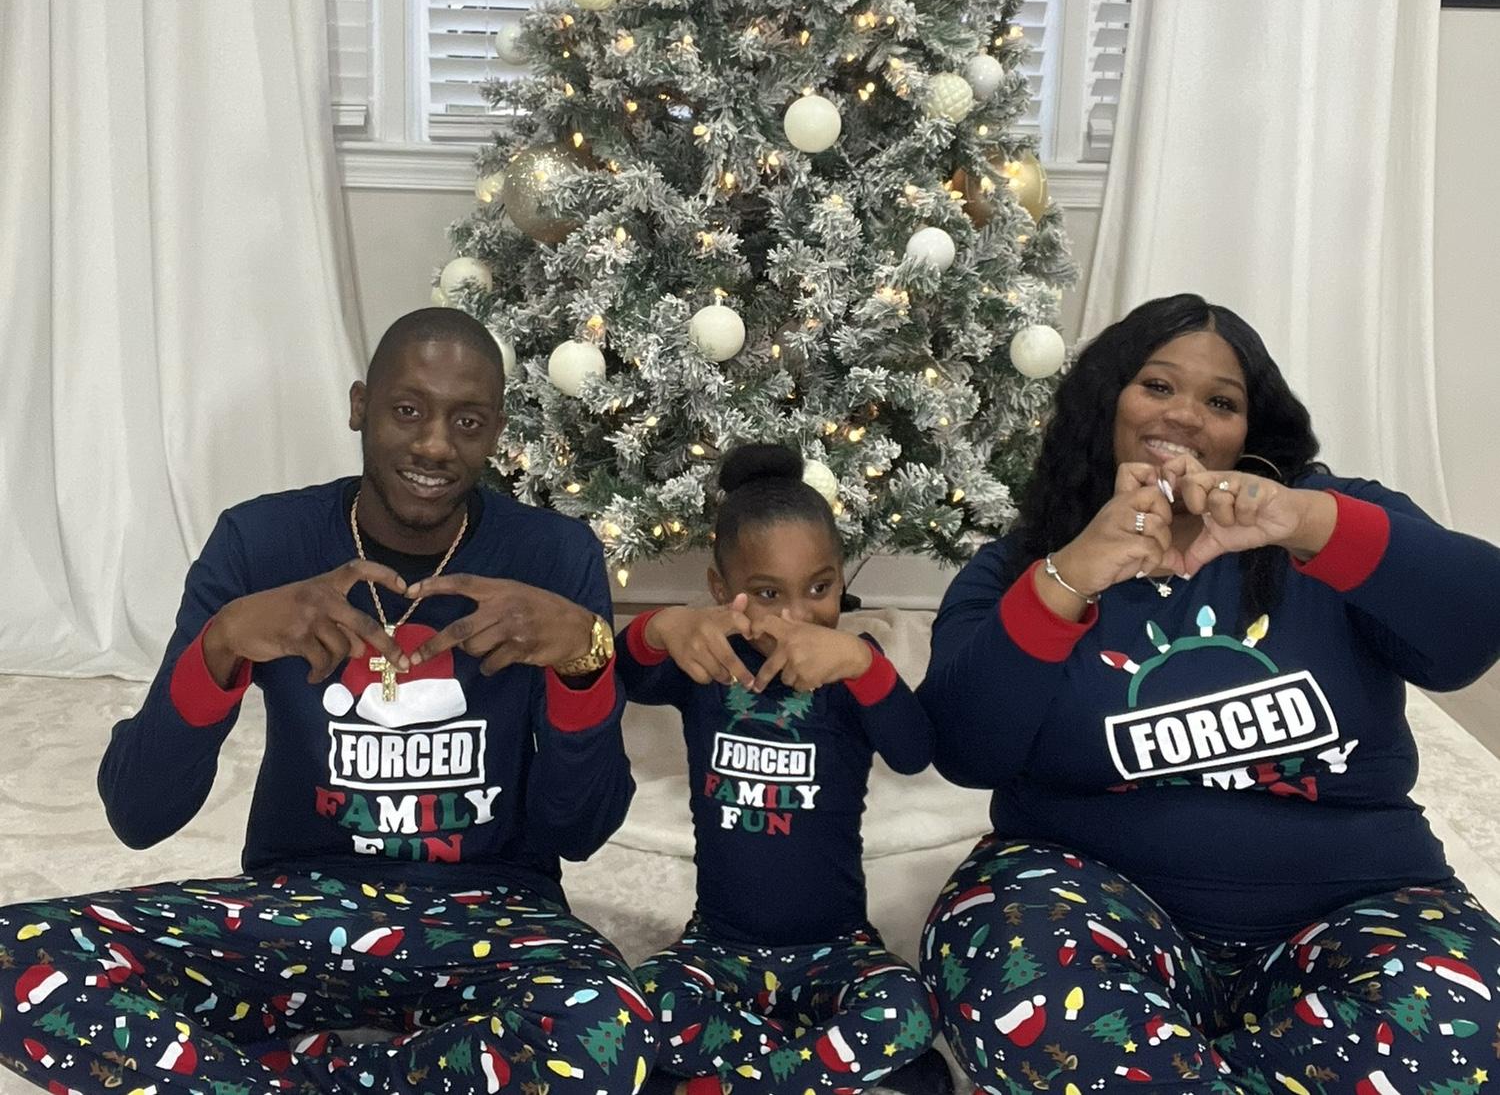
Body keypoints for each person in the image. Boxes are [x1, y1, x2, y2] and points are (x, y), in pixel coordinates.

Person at [0, 308, 655, 1095]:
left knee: (609, 1021)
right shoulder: (259, 542)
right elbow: (139, 813)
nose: (435, 445)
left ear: (496, 433)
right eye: (407, 409)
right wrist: (221, 644)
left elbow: (579, 831)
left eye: (467, 421)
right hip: (295, 913)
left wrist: (586, 662)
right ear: (359, 407)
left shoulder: (553, 555)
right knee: (14, 958)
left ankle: (291, 1077)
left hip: (496, 917)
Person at [917, 293, 1500, 1093]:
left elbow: (1472, 629)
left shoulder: (1326, 520)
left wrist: (1307, 522)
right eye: (1158, 385)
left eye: (1222, 402)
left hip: (1358, 903)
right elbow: (963, 746)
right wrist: (1070, 576)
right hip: (1090, 895)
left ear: (1250, 432)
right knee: (1006, 967)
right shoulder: (1023, 567)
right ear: (1107, 400)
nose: (1187, 415)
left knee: (1470, 1022)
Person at [616, 445, 949, 1095]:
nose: (797, 616)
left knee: (909, 1008)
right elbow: (622, 673)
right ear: (722, 591)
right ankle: (824, 1071)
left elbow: (914, 752)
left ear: (842, 577)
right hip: (718, 946)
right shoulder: (708, 662)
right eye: (769, 593)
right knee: (637, 1002)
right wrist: (663, 626)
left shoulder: (853, 663)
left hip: (839, 949)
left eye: (819, 588)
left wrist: (864, 666)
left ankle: (738, 1080)